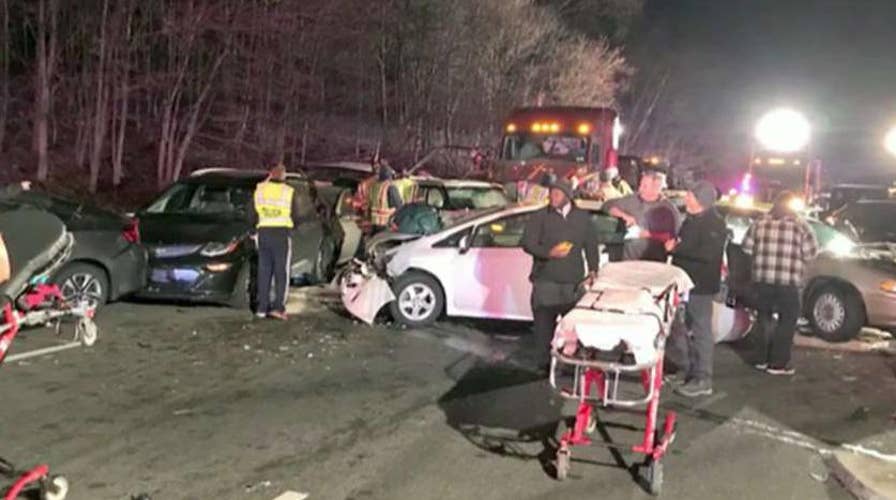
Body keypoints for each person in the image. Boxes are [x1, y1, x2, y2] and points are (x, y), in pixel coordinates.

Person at [521, 180, 600, 373]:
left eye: (557, 194)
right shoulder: (540, 216)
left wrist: (593, 269)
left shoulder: (582, 218)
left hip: (573, 282)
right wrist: (549, 253)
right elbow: (526, 243)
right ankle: (543, 365)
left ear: (568, 196)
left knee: (573, 329)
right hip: (545, 281)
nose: (552, 197)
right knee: (543, 327)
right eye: (551, 193)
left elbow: (591, 244)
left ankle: (571, 365)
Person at [742, 191, 819, 375]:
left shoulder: (759, 223)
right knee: (787, 320)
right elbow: (812, 252)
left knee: (763, 318)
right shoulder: (801, 225)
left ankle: (760, 358)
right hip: (789, 281)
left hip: (762, 279)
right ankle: (778, 363)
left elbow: (746, 247)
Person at [665, 181, 727, 397]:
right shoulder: (690, 221)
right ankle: (688, 369)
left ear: (701, 200)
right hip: (685, 283)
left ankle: (703, 377)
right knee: (681, 327)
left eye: (690, 195)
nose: (686, 198)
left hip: (700, 285)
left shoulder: (715, 224)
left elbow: (707, 254)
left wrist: (677, 249)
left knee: (701, 331)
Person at [251, 163, 304, 320]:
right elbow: (296, 215)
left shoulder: (260, 189)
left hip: (263, 233)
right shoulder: (288, 192)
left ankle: (261, 308)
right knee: (281, 273)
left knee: (264, 271)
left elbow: (251, 212)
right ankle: (278, 308)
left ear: (270, 174)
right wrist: (293, 229)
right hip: (281, 234)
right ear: (283, 176)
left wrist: (253, 229)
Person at [605, 169, 681, 261]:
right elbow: (608, 206)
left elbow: (674, 237)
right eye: (640, 185)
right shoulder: (632, 200)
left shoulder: (669, 209)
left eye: (645, 186)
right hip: (628, 261)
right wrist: (624, 215)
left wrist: (648, 234)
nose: (640, 189)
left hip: (653, 262)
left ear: (656, 187)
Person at [368, 165, 403, 233]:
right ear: (390, 175)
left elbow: (370, 202)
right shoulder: (390, 187)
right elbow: (398, 205)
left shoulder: (374, 186)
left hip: (374, 222)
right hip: (386, 222)